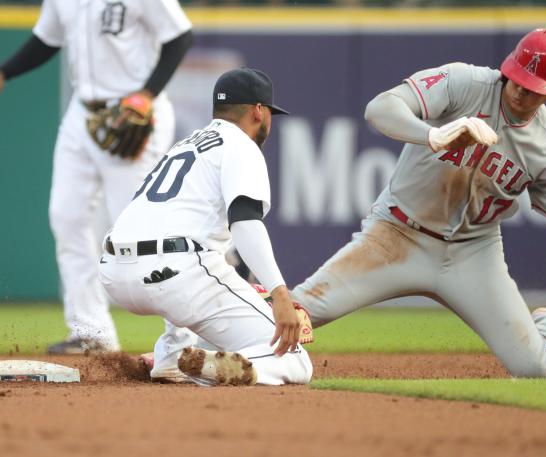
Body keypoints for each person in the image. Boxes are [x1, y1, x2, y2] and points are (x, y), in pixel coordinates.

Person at [291, 27, 546, 378]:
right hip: (395, 237)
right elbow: (379, 108)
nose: (519, 91)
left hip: (473, 253)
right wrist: (432, 135)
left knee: (535, 368)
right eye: (517, 78)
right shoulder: (463, 82)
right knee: (296, 312)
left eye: (532, 89)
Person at [98, 67, 313, 386]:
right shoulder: (241, 145)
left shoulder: (184, 146)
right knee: (294, 359)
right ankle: (216, 369)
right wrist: (279, 294)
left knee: (200, 256)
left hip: (114, 272)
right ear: (258, 111)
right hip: (175, 276)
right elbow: (245, 224)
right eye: (269, 112)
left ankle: (171, 355)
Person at [0, 0, 193, 354]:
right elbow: (47, 39)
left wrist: (146, 95)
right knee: (67, 217)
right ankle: (92, 332)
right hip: (82, 114)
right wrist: (6, 71)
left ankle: (185, 337)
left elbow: (179, 37)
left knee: (142, 229)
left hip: (132, 114)